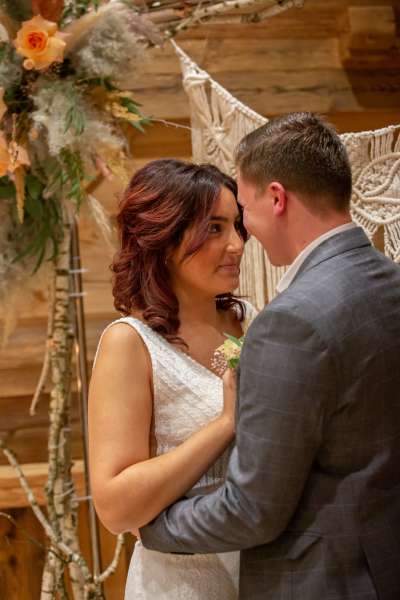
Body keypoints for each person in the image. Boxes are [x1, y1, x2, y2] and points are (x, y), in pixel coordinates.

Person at [139, 113, 400, 600]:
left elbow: (253, 509)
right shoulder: (390, 283)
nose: (243, 237)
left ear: (276, 198)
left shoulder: (289, 321)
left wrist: (155, 529)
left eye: (243, 211)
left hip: (321, 579)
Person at [88, 159, 257, 599]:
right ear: (164, 239)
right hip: (181, 584)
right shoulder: (130, 344)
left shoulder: (252, 323)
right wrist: (225, 424)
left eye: (237, 226)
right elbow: (115, 508)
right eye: (215, 228)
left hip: (266, 575)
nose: (237, 244)